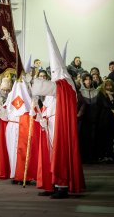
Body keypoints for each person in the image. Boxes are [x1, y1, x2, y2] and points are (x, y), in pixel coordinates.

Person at [34, 14, 85, 199]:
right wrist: (43, 116)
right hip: (50, 124)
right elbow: (48, 100)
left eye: (55, 71)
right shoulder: (57, 84)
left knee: (60, 154)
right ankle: (52, 184)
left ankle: (62, 185)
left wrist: (31, 83)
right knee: (49, 155)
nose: (53, 73)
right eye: (52, 71)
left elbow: (55, 91)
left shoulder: (66, 83)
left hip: (61, 126)